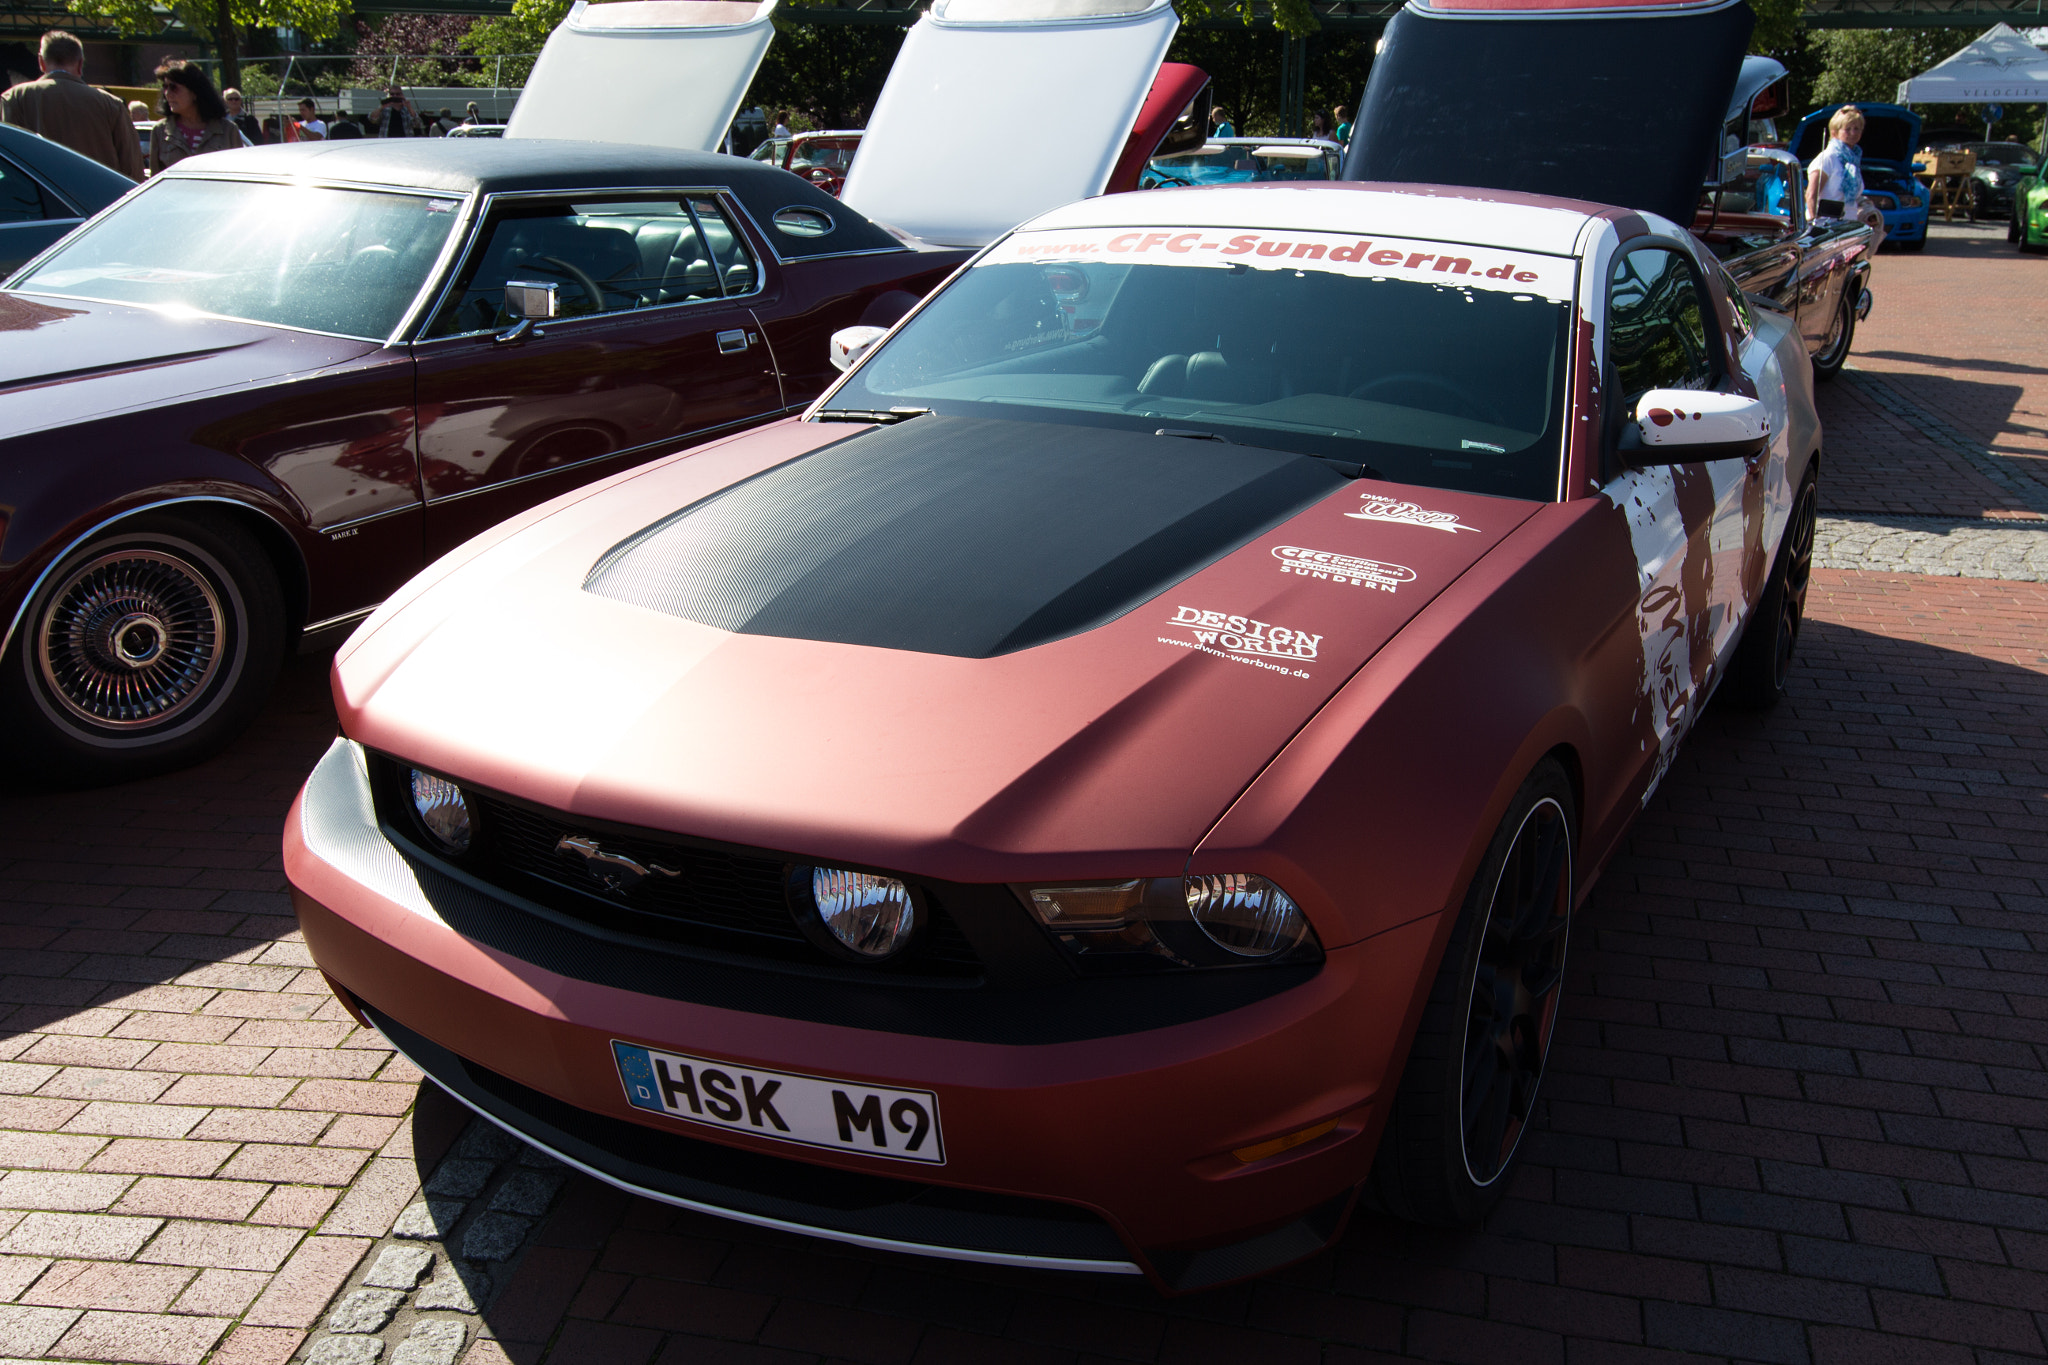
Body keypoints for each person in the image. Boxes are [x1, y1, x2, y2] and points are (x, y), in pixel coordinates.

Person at [0, 30, 143, 179]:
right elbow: (132, 168)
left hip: (41, 198)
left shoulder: (15, 98)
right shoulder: (111, 105)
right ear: (80, 63)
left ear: (41, 62)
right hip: (100, 197)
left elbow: (10, 162)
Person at [1806, 104, 1885, 249]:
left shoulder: (1853, 160)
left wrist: (1868, 212)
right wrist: (1813, 225)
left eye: (1857, 129)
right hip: (1826, 229)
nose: (1853, 133)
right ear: (1835, 132)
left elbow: (1854, 197)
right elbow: (1811, 195)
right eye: (1847, 129)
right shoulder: (1828, 158)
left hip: (1848, 227)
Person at [148, 59, 239, 174]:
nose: (167, 93)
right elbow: (156, 179)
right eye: (165, 87)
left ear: (195, 92)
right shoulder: (160, 131)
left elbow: (238, 177)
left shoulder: (228, 131)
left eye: (173, 87)